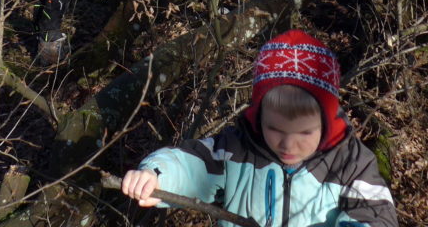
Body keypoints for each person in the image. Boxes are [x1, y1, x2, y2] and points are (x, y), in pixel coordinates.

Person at [120, 29, 398, 227]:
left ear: (326, 121)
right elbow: (192, 166)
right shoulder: (237, 149)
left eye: (304, 132)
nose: (288, 145)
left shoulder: (351, 163)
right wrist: (155, 176)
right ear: (258, 115)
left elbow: (375, 213)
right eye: (275, 129)